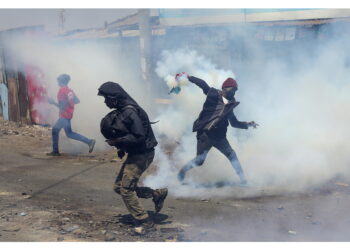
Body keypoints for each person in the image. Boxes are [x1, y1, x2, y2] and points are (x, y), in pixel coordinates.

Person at [98, 81, 168, 233]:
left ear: (115, 98)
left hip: (142, 154)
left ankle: (144, 221)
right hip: (137, 153)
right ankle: (156, 194)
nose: (105, 102)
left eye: (106, 99)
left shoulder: (130, 112)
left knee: (126, 190)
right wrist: (122, 147)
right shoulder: (123, 110)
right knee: (118, 187)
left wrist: (118, 141)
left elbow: (139, 136)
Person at [177, 74, 258, 185]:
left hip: (220, 137)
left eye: (235, 90)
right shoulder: (213, 94)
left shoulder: (230, 105)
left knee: (232, 155)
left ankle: (243, 180)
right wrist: (188, 77)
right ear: (225, 88)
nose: (234, 92)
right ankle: (182, 172)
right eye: (233, 89)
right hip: (206, 134)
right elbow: (202, 84)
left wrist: (248, 124)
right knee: (200, 160)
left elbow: (234, 123)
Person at [47, 74, 96, 156]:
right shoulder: (70, 91)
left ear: (60, 81)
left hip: (64, 115)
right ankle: (89, 141)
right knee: (68, 133)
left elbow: (61, 106)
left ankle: (55, 151)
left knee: (56, 130)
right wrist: (69, 104)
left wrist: (52, 102)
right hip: (69, 114)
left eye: (58, 80)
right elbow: (77, 101)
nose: (57, 82)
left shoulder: (61, 91)